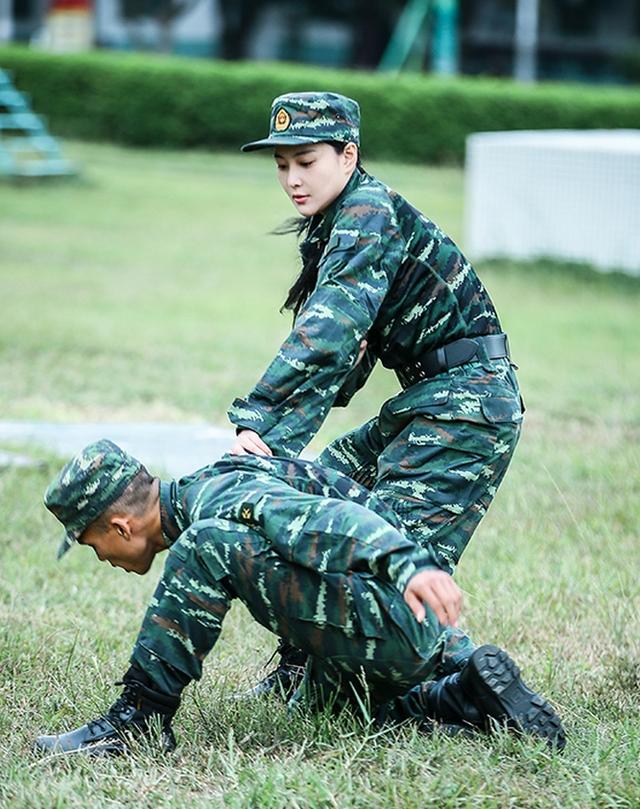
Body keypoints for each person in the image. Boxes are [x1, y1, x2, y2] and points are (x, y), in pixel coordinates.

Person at [228, 91, 524, 691]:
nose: (291, 179)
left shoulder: (368, 212)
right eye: (281, 165)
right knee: (322, 499)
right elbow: (344, 357)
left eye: (306, 161)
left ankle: (474, 685)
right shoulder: (336, 221)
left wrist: (257, 422)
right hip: (426, 398)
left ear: (348, 154)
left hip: (466, 405)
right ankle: (300, 666)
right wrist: (278, 450)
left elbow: (328, 331)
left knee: (394, 561)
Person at [34, 441, 564, 756]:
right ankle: (462, 692)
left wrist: (411, 564)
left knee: (206, 546)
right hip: (404, 627)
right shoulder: (219, 476)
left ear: (120, 525)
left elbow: (335, 521)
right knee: (326, 712)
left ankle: (139, 719)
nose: (98, 555)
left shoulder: (220, 500)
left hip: (393, 617)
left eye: (89, 541)